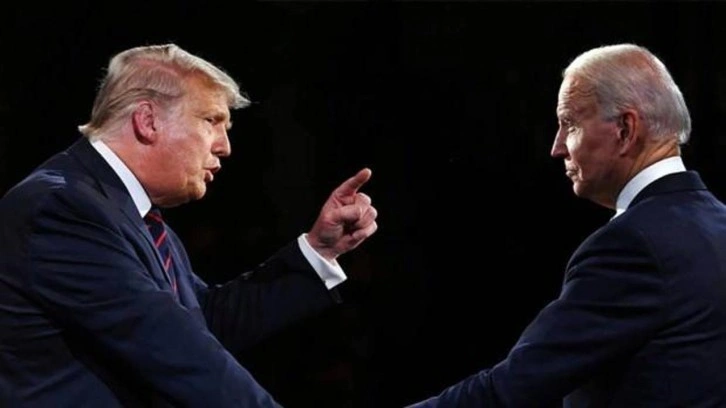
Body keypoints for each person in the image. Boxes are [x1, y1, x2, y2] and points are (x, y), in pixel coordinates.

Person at [0, 43, 377, 407]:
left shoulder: (132, 215)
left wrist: (319, 249)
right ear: (148, 121)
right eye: (211, 120)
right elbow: (168, 343)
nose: (225, 146)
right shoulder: (62, 207)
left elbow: (202, 321)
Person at [407, 43, 726, 407]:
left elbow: (515, 386)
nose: (557, 147)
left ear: (625, 129)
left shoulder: (632, 246)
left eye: (570, 124)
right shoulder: (718, 222)